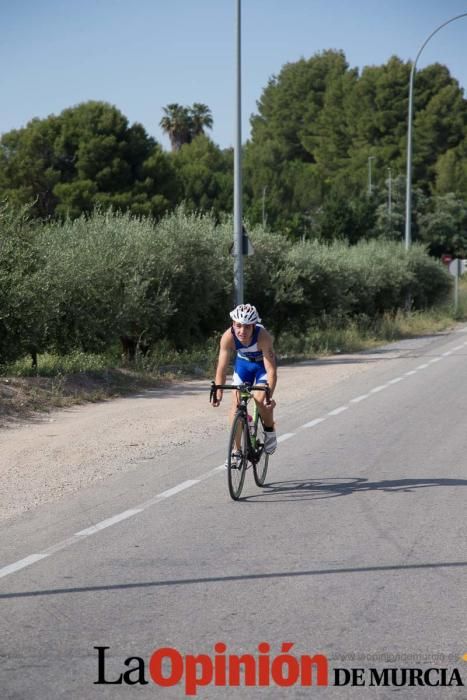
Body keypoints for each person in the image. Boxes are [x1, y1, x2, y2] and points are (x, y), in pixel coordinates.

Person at [212, 304, 277, 462]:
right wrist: (218, 393)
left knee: (259, 400)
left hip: (262, 367)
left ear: (254, 326)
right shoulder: (228, 337)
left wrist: (269, 396)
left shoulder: (263, 337)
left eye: (247, 327)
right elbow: (221, 368)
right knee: (235, 406)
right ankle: (237, 450)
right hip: (243, 366)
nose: (242, 331)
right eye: (238, 326)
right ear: (233, 324)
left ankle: (270, 431)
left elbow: (272, 371)